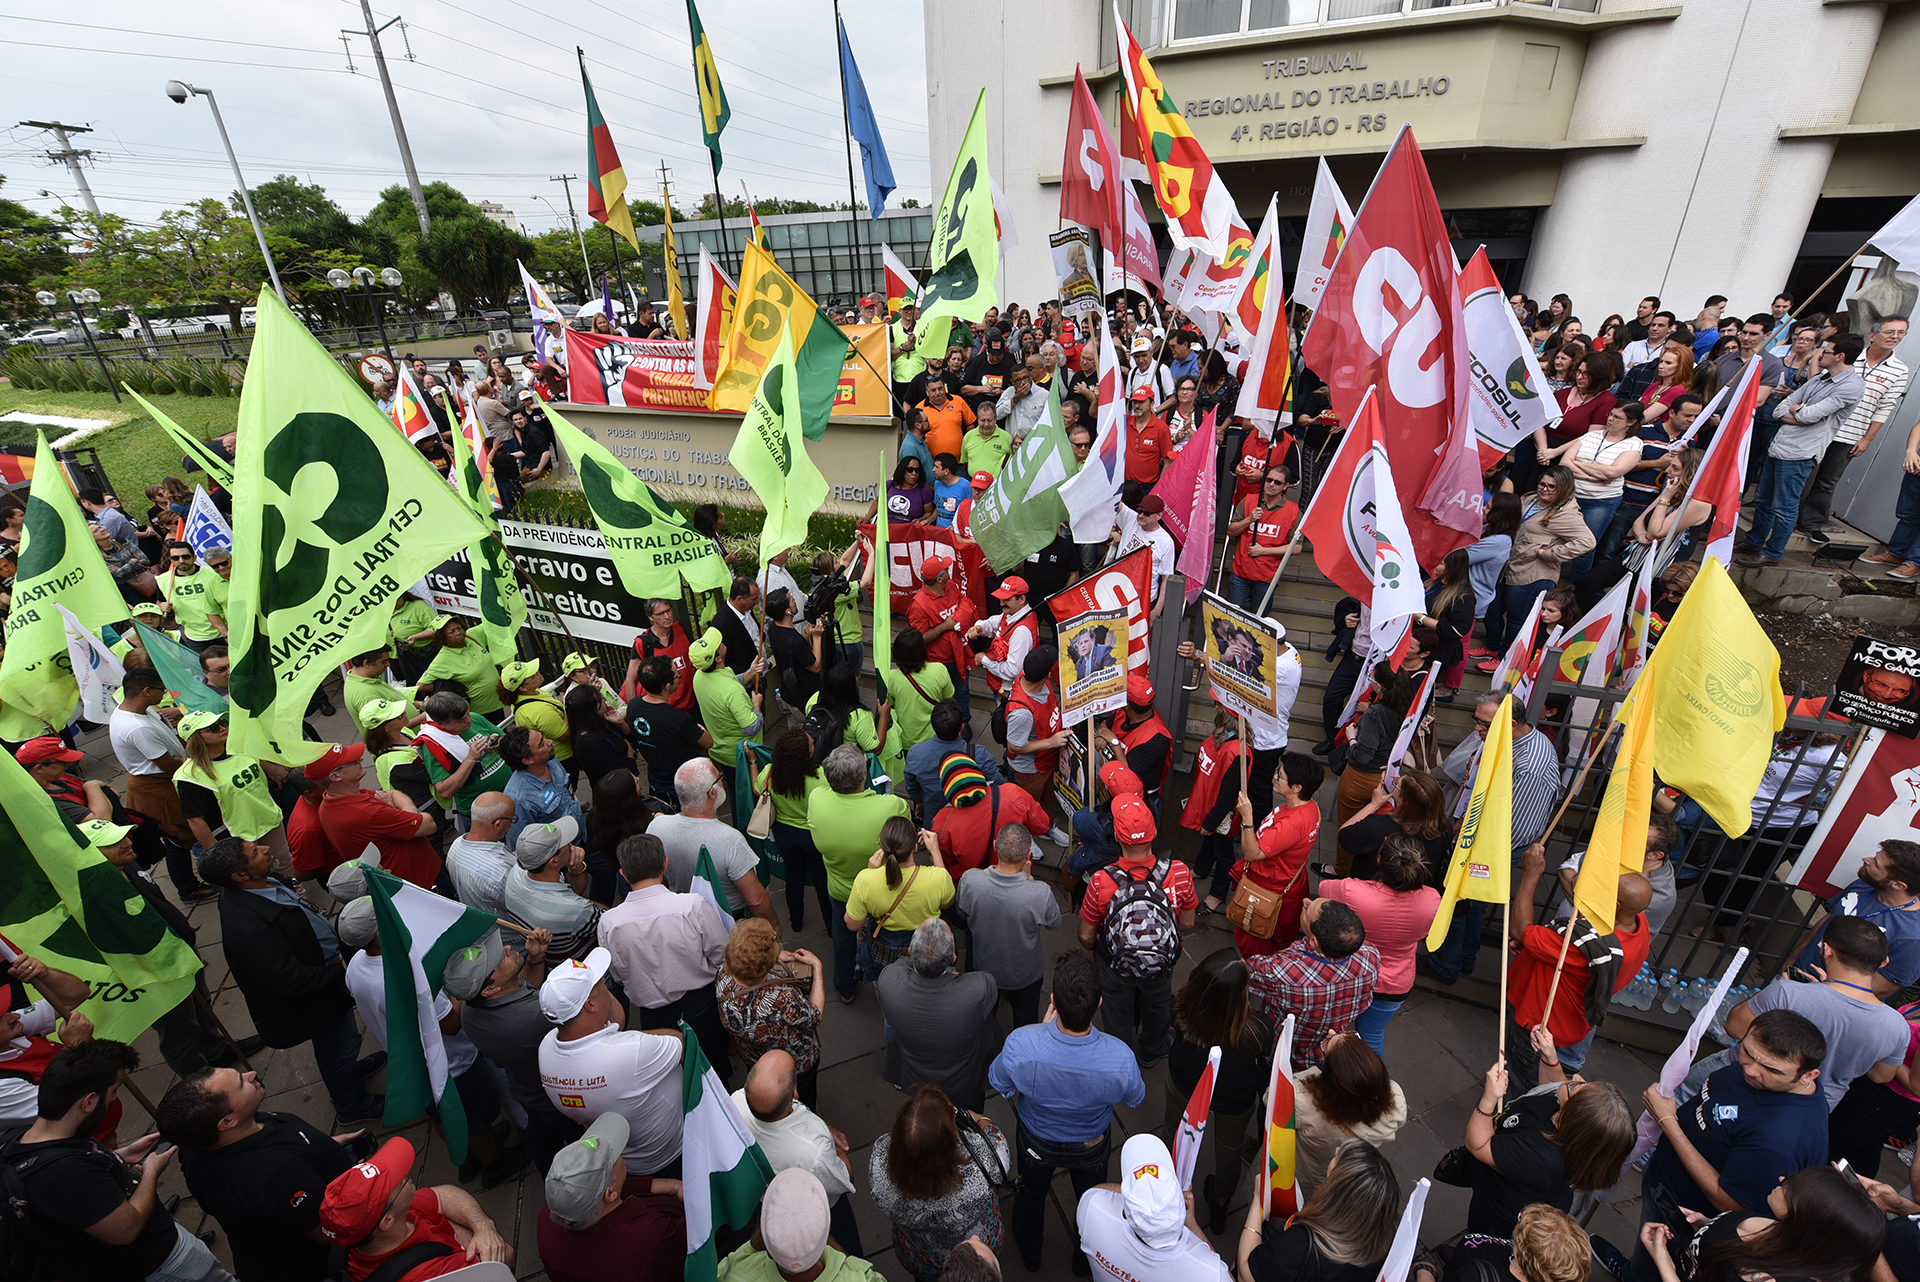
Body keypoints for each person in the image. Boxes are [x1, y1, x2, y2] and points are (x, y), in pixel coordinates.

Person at [2, 1039, 233, 1282]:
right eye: (113, 1091)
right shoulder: (63, 1172)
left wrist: (119, 1155)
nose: (113, 1099)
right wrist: (151, 1174)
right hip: (163, 1266)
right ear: (89, 1102)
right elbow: (126, 1229)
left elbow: (82, 1177)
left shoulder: (33, 1138)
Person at [335, 900, 525, 1188]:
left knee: (440, 1114)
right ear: (377, 935)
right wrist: (464, 984)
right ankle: (495, 1162)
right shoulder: (406, 973)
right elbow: (451, 1024)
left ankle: (468, 1156)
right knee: (475, 1117)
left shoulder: (356, 966)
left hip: (413, 1064)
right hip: (451, 1063)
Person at [1633, 1010, 1832, 1282]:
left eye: (1771, 1069)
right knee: (1642, 1259)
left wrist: (1668, 1123)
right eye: (1748, 1052)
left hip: (1684, 1215)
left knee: (1654, 1269)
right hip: (1667, 1183)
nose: (1750, 1069)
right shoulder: (1759, 1074)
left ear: (1808, 1075)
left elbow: (1731, 1201)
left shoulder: (1778, 1144)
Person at [204, 838, 386, 1123]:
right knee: (336, 1046)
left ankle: (347, 1073)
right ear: (238, 876)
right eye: (255, 852)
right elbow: (291, 979)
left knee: (343, 1042)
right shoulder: (249, 928)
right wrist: (341, 971)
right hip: (316, 999)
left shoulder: (261, 883)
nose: (265, 849)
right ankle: (352, 1104)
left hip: (325, 980)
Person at [989, 951, 1145, 1271]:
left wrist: (1039, 1033)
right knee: (1091, 1202)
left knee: (1031, 1195)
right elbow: (1135, 1098)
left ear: (1053, 1001)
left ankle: (1031, 1256)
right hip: (1091, 1143)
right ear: (1098, 1003)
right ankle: (1083, 1261)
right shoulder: (1120, 1058)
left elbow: (998, 1081)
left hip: (1036, 1140)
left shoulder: (1021, 1043)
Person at [156, 1064, 357, 1282]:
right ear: (227, 1122)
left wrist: (319, 1148)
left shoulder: (197, 1146)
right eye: (241, 1084)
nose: (251, 1075)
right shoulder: (277, 1176)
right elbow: (330, 1231)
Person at [86, 820, 252, 1076]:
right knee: (179, 1033)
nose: (127, 843)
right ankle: (203, 1085)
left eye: (124, 836)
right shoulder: (94, 893)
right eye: (113, 843)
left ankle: (218, 1051)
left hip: (180, 952)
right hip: (155, 974)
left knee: (202, 1006)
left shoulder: (128, 864)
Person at [1428, 697, 1562, 982]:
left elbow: (1515, 827)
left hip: (1493, 848)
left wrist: (1469, 846)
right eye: (1475, 720)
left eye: (1484, 724)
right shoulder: (1511, 741)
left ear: (1511, 724)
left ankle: (1446, 965)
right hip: (1482, 839)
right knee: (1472, 901)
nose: (1477, 730)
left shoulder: (1529, 768)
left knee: (1458, 900)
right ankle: (1463, 957)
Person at [1715, 915, 1908, 1110]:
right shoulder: (1898, 1026)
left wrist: (1780, 991)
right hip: (1811, 1108)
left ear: (1826, 949)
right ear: (1884, 962)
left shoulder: (1789, 993)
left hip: (1742, 1085)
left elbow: (1734, 1027)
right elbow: (1881, 1075)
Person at [1463, 1027, 1635, 1238]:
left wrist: (1489, 1098)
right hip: (1501, 1190)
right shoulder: (1568, 1121)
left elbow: (1478, 1145)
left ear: (1571, 1119)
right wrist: (1550, 1058)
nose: (1577, 1077)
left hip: (1498, 1215)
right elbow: (1554, 1087)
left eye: (1576, 1087)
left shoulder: (1541, 1155)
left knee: (1478, 1243)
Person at [1504, 850, 1653, 1092]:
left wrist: (1531, 875)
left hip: (1538, 1022)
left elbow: (1520, 930)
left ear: (1615, 905)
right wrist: (1535, 947)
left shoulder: (1585, 945)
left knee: (1523, 1083)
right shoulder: (1638, 923)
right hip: (1567, 1023)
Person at [598, 831, 735, 1087]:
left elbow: (616, 973)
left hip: (651, 1015)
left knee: (674, 1076)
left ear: (624, 875)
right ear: (665, 864)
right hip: (702, 1006)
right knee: (713, 1068)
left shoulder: (609, 922)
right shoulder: (692, 906)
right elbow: (722, 954)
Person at [537, 947, 685, 1177]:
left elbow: (616, 1023)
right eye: (599, 983)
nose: (605, 982)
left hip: (624, 1160)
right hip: (670, 1154)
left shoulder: (546, 1047)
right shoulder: (631, 1052)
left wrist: (597, 997)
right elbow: (680, 1042)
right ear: (590, 1006)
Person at [1156, 948, 1274, 1235]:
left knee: (1173, 1134)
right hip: (1234, 1098)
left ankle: (1167, 1190)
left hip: (1184, 1084)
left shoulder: (1179, 1007)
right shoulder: (1257, 1030)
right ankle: (1220, 1206)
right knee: (1229, 1151)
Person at [1077, 794, 1195, 1064]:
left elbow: (1085, 935)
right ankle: (1152, 1052)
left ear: (1117, 837)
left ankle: (1122, 1059)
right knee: (1157, 1007)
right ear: (1153, 834)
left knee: (1116, 1012)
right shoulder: (1179, 872)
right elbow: (1187, 922)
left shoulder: (1101, 879)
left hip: (1115, 966)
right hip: (1161, 963)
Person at [1739, 332, 1868, 566]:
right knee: (1763, 499)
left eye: (1825, 351)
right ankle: (1754, 540)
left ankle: (1772, 553)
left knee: (1785, 507)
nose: (1820, 354)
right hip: (1779, 446)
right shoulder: (1819, 379)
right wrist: (1799, 412)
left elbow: (1811, 414)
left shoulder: (1852, 386)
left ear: (1840, 356)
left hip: (1800, 453)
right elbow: (1781, 409)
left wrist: (1801, 412)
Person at [1640, 1165, 1885, 1282]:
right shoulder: (1782, 1231)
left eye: (1792, 1183)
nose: (1781, 1178)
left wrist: (1664, 1264)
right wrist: (1705, 1225)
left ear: (1808, 1219)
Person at [316, 1135, 512, 1278]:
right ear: (387, 1221)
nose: (404, 1175)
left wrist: (483, 1227)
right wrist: (476, 1233)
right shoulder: (434, 1273)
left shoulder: (366, 1230)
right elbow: (504, 1257)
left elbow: (443, 1194)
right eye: (397, 1182)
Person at [869, 1084, 1010, 1282]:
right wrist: (978, 1119)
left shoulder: (879, 1165)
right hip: (978, 1255)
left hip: (921, 1257)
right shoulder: (985, 1161)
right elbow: (998, 1147)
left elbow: (887, 1145)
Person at [734, 1051, 863, 1257]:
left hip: (767, 1202)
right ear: (795, 1092)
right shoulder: (814, 1152)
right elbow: (846, 1177)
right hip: (821, 1214)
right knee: (847, 1255)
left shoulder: (735, 1103)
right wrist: (834, 1146)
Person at [1319, 836, 1441, 1053]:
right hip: (1396, 984)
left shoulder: (1352, 890)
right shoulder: (1432, 899)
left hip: (1350, 976)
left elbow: (1323, 887)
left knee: (1331, 1033)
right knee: (1372, 1038)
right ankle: (1366, 1083)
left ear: (1379, 861)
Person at [810, 744, 912, 1001]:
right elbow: (905, 832)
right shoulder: (891, 805)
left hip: (840, 890)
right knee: (884, 934)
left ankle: (844, 987)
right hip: (880, 890)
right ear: (864, 776)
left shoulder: (816, 798)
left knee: (843, 936)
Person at [536, 1113, 686, 1282]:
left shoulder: (547, 1219)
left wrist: (672, 1185)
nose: (620, 1156)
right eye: (614, 1157)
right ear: (610, 1194)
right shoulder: (650, 1236)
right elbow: (700, 1238)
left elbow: (616, 1186)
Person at [109, 666, 210, 901]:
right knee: (176, 838)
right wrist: (198, 756)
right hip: (157, 787)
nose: (163, 694)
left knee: (179, 836)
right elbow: (166, 763)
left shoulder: (139, 710)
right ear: (146, 691)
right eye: (160, 690)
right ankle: (188, 888)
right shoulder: (136, 727)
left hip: (160, 782)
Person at [877, 918, 1000, 1110]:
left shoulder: (889, 982)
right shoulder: (979, 989)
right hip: (963, 1082)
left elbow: (902, 963)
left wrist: (920, 956)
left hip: (915, 1082)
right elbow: (988, 984)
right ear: (952, 957)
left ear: (910, 952)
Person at [1236, 1138, 1399, 1282]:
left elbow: (1246, 1275)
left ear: (1338, 1188)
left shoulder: (1299, 1245)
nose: (1336, 1150)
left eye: (1339, 1158)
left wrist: (1258, 1202)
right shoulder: (1388, 1241)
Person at [1076, 1133, 1230, 1282]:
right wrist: (1192, 1225)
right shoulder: (1210, 1273)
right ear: (1184, 1206)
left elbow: (1098, 1191)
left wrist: (1136, 1195)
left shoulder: (1093, 1209)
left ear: (1124, 1212)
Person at [1250, 899, 1379, 1072]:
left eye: (1307, 910)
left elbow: (1248, 971)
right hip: (1326, 1052)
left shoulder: (1283, 973)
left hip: (1282, 1056)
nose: (1305, 901)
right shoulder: (1370, 956)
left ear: (1314, 942)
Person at [650, 758, 778, 929]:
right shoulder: (730, 840)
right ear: (712, 793)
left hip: (684, 918)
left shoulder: (656, 827)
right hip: (729, 920)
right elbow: (756, 900)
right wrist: (774, 925)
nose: (722, 782)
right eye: (719, 779)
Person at [956, 825, 1061, 1028]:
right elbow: (1055, 923)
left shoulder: (970, 880)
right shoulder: (1040, 893)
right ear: (1028, 854)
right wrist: (1030, 880)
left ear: (995, 846)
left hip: (984, 967)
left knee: (985, 1020)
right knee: (1025, 1021)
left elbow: (962, 913)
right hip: (1025, 975)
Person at [1786, 838, 1920, 995]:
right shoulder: (1865, 884)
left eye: (1876, 863)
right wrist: (1794, 956)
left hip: (1827, 1000)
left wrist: (1826, 992)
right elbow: (1830, 919)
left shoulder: (1913, 937)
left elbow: (1882, 988)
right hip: (1795, 975)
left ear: (1898, 885)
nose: (1866, 860)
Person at [717, 918, 827, 1105]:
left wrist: (769, 958)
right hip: (794, 1066)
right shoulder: (782, 998)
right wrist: (818, 969)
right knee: (802, 1104)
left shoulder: (723, 975)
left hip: (754, 1059)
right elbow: (814, 1016)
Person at [1290, 1030, 1407, 1205]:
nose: (1330, 1031)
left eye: (1326, 1048)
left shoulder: (1302, 1101)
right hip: (1341, 1183)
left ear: (1331, 1078)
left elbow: (1270, 1099)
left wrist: (1306, 1078)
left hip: (1304, 1175)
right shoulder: (1395, 1097)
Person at [714, 1165, 884, 1282]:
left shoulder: (733, 1275)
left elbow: (727, 1266)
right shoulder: (861, 1278)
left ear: (769, 1251)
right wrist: (838, 1255)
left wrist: (752, 1247)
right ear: (828, 1229)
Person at [1486, 468, 1592, 655]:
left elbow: (1587, 542)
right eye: (1542, 484)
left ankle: (1505, 658)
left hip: (1534, 575)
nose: (1545, 490)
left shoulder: (1567, 514)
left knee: (1517, 619)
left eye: (1552, 487)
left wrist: (1551, 553)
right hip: (1511, 567)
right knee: (1492, 610)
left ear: (1564, 488)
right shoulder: (1530, 498)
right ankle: (1492, 648)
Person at [312, 742, 442, 890]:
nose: (361, 760)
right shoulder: (365, 813)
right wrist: (406, 812)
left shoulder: (336, 798)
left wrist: (398, 812)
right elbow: (428, 825)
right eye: (353, 762)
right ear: (335, 776)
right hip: (419, 883)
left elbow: (393, 793)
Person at [1554, 814, 1684, 936]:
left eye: (1637, 842)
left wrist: (1579, 883)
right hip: (1564, 932)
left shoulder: (1661, 895)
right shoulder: (1620, 851)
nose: (1625, 841)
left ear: (1655, 855)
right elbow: (1565, 869)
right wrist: (1584, 900)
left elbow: (1603, 924)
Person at [1182, 708, 1254, 913]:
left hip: (1221, 813)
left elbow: (1229, 794)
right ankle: (1201, 869)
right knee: (1209, 841)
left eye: (1217, 706)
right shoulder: (1223, 737)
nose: (1214, 708)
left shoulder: (1238, 751)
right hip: (1210, 805)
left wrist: (1210, 822)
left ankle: (1218, 893)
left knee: (1223, 852)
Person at [932, 754, 1050, 878]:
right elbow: (1043, 826)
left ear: (946, 786)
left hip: (971, 882)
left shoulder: (942, 821)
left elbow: (944, 862)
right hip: (1017, 874)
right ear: (977, 772)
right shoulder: (1014, 795)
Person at [413, 690, 513, 826]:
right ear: (442, 724)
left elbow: (505, 739)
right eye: (461, 721)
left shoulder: (474, 718)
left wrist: (498, 742)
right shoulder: (432, 745)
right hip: (486, 814)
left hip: (511, 793)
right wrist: (471, 759)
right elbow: (445, 791)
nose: (469, 720)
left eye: (468, 714)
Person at [1003, 647, 1072, 846]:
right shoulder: (1021, 712)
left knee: (1047, 796)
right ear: (1047, 674)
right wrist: (1051, 742)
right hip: (1030, 769)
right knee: (1027, 804)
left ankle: (1045, 827)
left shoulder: (1042, 684)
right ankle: (1023, 837)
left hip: (1047, 761)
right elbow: (1014, 746)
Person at [905, 700, 1004, 826]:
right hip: (972, 823)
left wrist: (920, 801)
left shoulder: (915, 753)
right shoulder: (980, 755)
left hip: (935, 822)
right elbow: (999, 788)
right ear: (962, 728)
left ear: (933, 725)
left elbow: (912, 787)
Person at [628, 655, 712, 802]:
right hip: (685, 778)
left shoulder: (634, 706)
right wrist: (700, 730)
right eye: (677, 675)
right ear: (667, 686)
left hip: (656, 776)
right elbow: (708, 742)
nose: (679, 677)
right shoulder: (677, 718)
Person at [1224, 464, 1300, 612]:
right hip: (1240, 572)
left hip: (1267, 577)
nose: (1271, 484)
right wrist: (1249, 520)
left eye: (1277, 482)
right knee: (1232, 620)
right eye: (1268, 480)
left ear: (1286, 486)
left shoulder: (1293, 511)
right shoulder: (1249, 500)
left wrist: (1263, 551)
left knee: (1259, 625)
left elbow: (1296, 547)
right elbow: (1230, 531)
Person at [1093, 675, 1172, 813]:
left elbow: (1127, 778)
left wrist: (1114, 742)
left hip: (1139, 800)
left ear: (1127, 704)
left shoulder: (1155, 739)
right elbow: (1105, 724)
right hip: (1112, 786)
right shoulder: (1124, 713)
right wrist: (1102, 734)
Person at [689, 626, 764, 771]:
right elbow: (751, 727)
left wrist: (750, 672)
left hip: (721, 753)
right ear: (717, 658)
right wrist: (757, 705)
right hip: (745, 756)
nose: (722, 642)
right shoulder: (732, 691)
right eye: (719, 644)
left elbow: (728, 682)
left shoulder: (698, 676)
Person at [499, 725, 586, 847]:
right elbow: (524, 845)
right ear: (528, 760)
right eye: (541, 744)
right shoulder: (519, 799)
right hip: (562, 854)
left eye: (543, 738)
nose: (549, 742)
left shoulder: (550, 760)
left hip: (583, 834)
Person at [909, 555, 979, 687]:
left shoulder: (951, 585)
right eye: (946, 568)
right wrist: (946, 625)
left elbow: (964, 601)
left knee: (962, 695)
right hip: (938, 662)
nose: (949, 569)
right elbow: (919, 638)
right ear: (939, 579)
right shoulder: (918, 605)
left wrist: (958, 617)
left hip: (959, 653)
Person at [416, 615, 504, 717]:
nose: (458, 633)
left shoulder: (472, 636)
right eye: (451, 632)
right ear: (442, 638)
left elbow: (491, 624)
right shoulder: (442, 660)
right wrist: (447, 686)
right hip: (480, 712)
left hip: (500, 700)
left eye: (459, 628)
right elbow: (420, 685)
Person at [967, 576, 1039, 701]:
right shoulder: (1012, 613)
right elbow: (992, 624)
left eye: (1007, 599)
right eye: (1001, 598)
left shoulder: (1022, 631)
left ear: (1021, 599)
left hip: (1010, 692)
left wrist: (983, 659)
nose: (1001, 603)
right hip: (1002, 687)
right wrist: (978, 627)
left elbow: (1012, 671)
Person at [443, 791, 515, 914]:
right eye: (512, 819)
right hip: (511, 932)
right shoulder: (500, 873)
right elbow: (523, 908)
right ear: (498, 824)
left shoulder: (456, 845)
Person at [157, 540, 227, 651]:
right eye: (176, 558)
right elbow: (159, 602)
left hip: (224, 632)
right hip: (195, 637)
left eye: (185, 557)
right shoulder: (163, 580)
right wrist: (162, 607)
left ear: (194, 557)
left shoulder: (213, 572)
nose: (181, 561)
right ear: (170, 560)